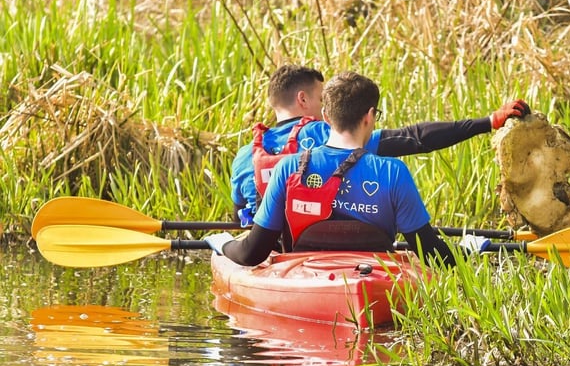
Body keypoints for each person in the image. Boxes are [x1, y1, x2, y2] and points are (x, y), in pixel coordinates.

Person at [207, 71, 459, 267]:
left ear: (325, 116)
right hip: (374, 275)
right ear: (370, 116)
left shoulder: (288, 168)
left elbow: (252, 254)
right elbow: (434, 255)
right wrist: (467, 249)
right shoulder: (395, 172)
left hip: (302, 277)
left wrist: (223, 244)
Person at [230, 64, 530, 225]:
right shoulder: (329, 134)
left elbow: (238, 216)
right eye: (322, 99)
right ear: (303, 99)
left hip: (270, 252)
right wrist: (488, 121)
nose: (326, 108)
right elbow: (415, 138)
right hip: (322, 250)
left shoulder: (245, 156)